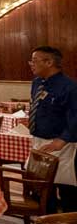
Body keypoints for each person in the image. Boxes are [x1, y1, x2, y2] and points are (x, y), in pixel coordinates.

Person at [28, 46, 77, 211]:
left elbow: (75, 116)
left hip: (62, 145)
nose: (31, 64)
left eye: (35, 61)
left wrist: (61, 141)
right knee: (41, 187)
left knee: (65, 188)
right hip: (38, 140)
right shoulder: (37, 83)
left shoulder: (69, 87)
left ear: (49, 62)